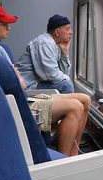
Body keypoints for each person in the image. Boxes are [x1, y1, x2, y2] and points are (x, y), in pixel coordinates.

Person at [0, 6, 89, 156]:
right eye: (5, 24)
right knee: (75, 107)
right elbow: (17, 83)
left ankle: (74, 154)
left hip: (22, 95)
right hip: (15, 104)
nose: (9, 27)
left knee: (85, 100)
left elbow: (15, 77)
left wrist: (64, 53)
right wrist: (16, 77)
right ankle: (64, 161)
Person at [16, 14, 92, 155]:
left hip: (39, 85)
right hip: (30, 89)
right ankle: (64, 137)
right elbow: (49, 74)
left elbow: (62, 72)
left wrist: (64, 53)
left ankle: (74, 150)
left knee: (86, 100)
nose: (71, 32)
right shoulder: (45, 43)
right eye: (68, 29)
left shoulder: (55, 45)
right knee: (67, 86)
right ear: (57, 32)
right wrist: (66, 79)